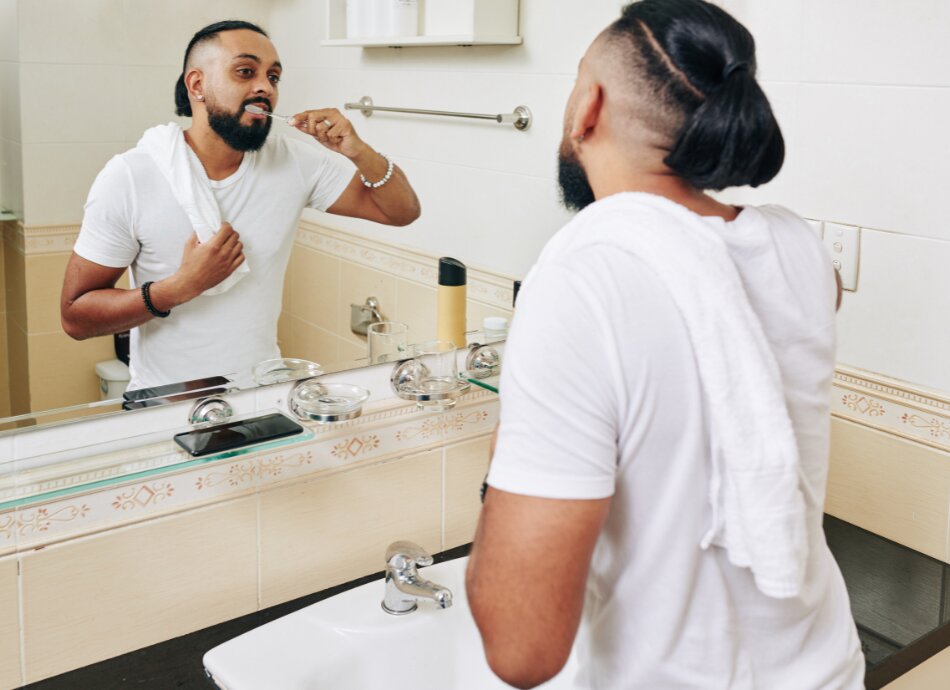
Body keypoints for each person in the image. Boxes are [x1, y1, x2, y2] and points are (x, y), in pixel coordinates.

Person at [465, 2, 862, 689]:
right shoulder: (801, 252)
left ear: (587, 105)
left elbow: (522, 651)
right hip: (827, 669)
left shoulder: (581, 275)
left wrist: (504, 468)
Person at [60, 20, 420, 391]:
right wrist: (180, 287)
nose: (265, 86)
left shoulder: (294, 162)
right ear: (197, 85)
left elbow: (400, 211)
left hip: (264, 394)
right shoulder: (131, 177)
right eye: (245, 72)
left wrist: (357, 150)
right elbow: (75, 317)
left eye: (274, 76)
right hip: (163, 404)